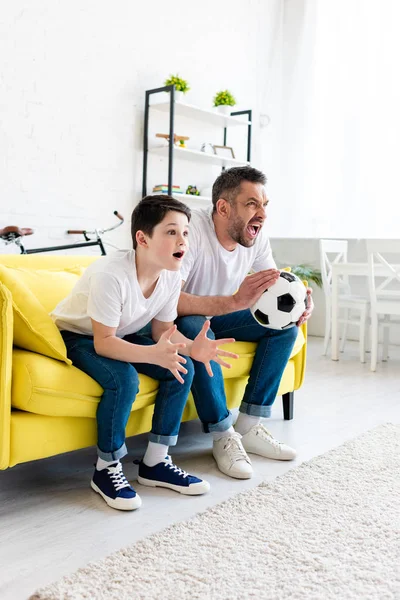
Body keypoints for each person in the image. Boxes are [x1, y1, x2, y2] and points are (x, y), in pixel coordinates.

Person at [51, 196, 238, 511]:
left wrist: (194, 349)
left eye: (186, 233)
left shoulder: (169, 276)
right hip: (80, 336)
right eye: (171, 232)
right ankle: (106, 469)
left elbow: (162, 332)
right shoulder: (111, 275)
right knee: (124, 379)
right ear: (142, 238)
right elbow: (104, 342)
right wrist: (152, 355)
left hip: (123, 332)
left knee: (183, 369)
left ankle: (155, 462)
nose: (183, 241)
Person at [176, 166, 314, 480]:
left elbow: (275, 287)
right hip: (184, 320)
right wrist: (233, 302)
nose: (262, 214)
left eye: (265, 205)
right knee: (196, 325)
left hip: (222, 316)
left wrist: (300, 303)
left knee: (284, 327)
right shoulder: (191, 230)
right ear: (223, 208)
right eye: (252, 204)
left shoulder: (256, 236)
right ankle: (223, 435)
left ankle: (249, 425)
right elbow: (168, 301)